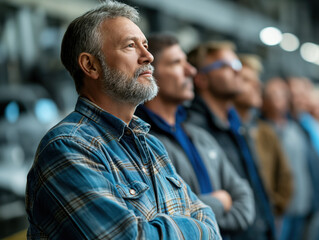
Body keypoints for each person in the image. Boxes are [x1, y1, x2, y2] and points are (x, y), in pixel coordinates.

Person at [25, 2, 220, 239]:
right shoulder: (68, 147)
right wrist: (195, 229)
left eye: (145, 45)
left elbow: (209, 220)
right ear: (90, 65)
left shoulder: (152, 145)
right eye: (130, 45)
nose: (148, 56)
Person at [134, 33, 255, 237]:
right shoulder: (142, 142)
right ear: (149, 73)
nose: (190, 71)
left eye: (187, 63)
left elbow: (244, 200)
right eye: (176, 63)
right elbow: (164, 220)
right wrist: (221, 202)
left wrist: (203, 221)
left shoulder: (199, 136)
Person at [187, 41, 276, 239]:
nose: (237, 72)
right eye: (226, 66)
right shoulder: (196, 130)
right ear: (202, 80)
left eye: (237, 65)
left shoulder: (235, 125)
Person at [232, 55, 293, 218]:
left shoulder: (265, 131)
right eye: (246, 80)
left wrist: (273, 209)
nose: (258, 85)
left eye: (257, 80)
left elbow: (285, 176)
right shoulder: (222, 133)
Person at [261, 77, 313, 240]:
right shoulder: (262, 131)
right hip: (280, 209)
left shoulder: (294, 128)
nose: (280, 99)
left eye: (283, 94)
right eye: (274, 94)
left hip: (301, 202)